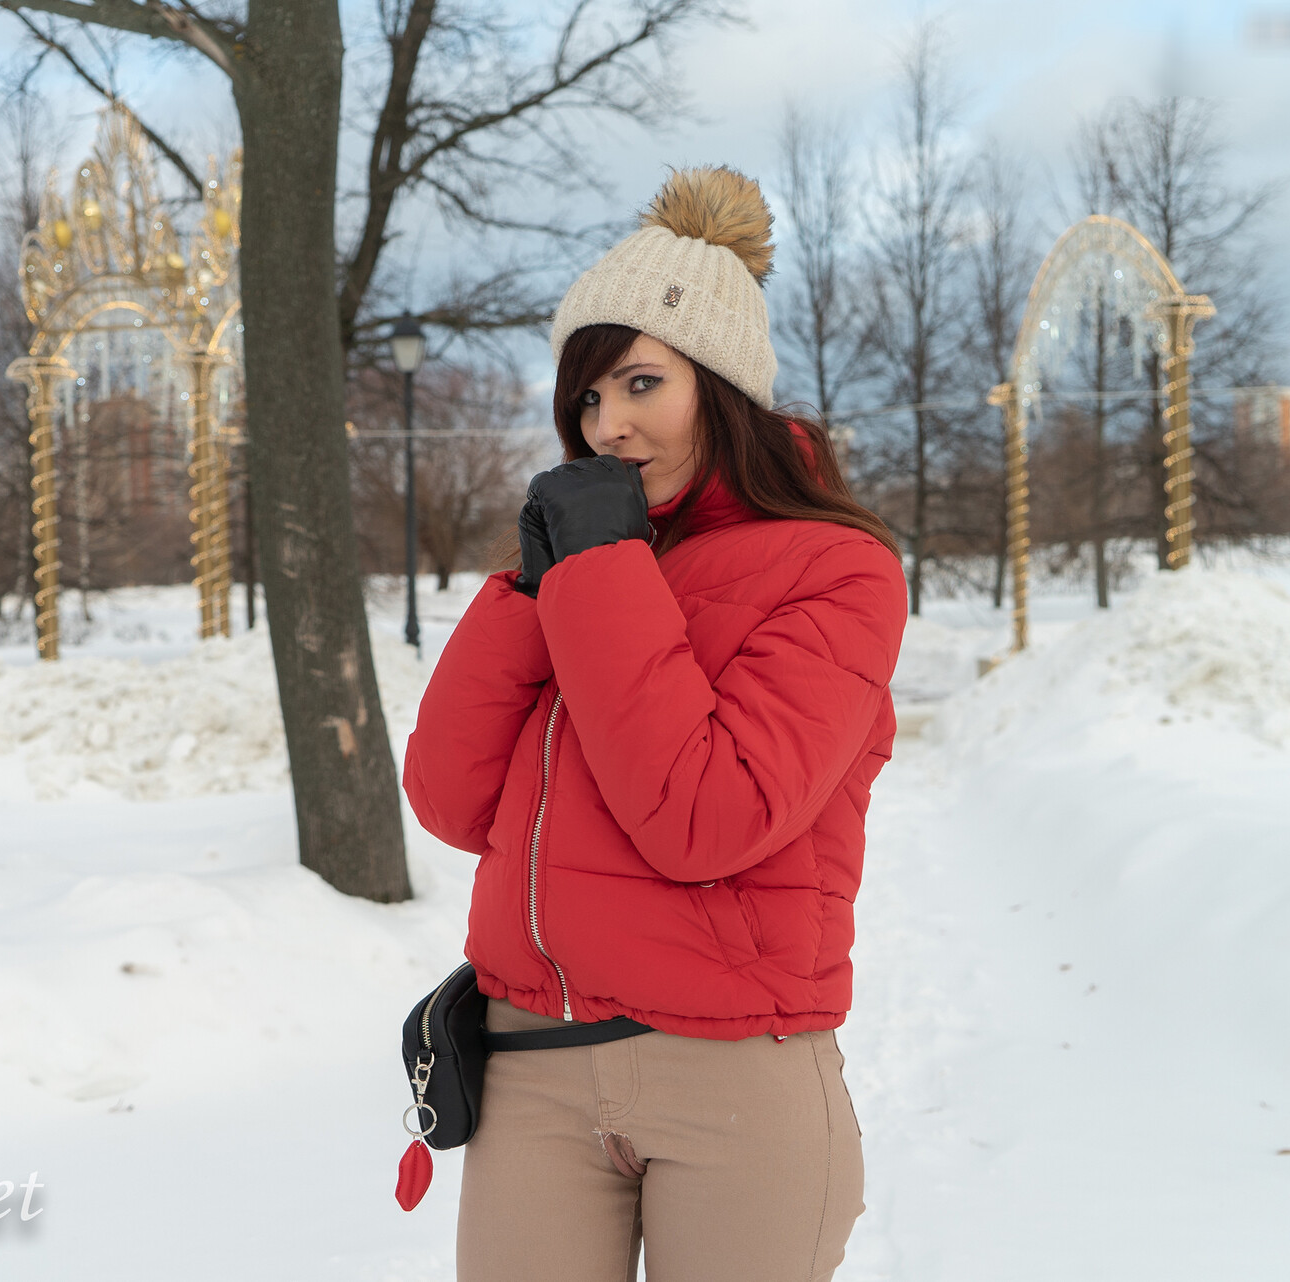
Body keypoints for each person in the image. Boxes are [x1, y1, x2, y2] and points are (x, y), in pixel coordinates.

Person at [401, 165, 909, 1282]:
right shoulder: (582, 570)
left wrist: (598, 576)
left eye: (642, 383)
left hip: (732, 1078)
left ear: (723, 390)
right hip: (533, 1066)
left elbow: (706, 819)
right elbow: (449, 800)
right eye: (587, 399)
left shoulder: (839, 570)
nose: (609, 426)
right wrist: (532, 587)